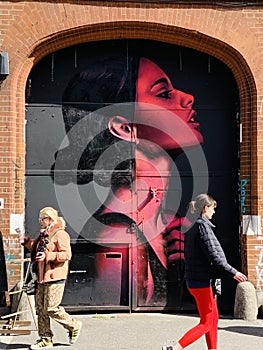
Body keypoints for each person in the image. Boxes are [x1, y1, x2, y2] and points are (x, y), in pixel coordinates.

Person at [53, 55, 204, 306]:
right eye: (164, 94)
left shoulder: (167, 223)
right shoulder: (117, 237)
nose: (188, 97)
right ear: (124, 129)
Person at [162, 194, 247, 350]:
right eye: (213, 208)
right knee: (206, 322)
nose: (214, 212)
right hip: (201, 281)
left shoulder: (194, 225)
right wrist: (233, 272)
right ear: (205, 208)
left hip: (197, 280)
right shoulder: (202, 226)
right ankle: (176, 347)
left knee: (213, 319)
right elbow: (214, 255)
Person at [21, 207, 82, 349]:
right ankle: (45, 338)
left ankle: (73, 325)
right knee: (41, 309)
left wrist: (49, 256)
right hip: (41, 277)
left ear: (50, 219)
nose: (40, 221)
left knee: (51, 307)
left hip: (55, 276)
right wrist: (27, 242)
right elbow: (37, 250)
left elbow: (66, 255)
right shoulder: (44, 235)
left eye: (42, 218)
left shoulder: (60, 234)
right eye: (39, 219)